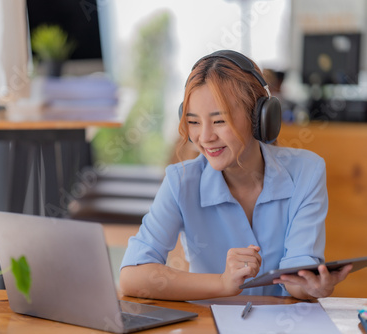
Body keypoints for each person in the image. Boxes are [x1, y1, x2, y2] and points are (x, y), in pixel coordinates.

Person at [119, 50, 351, 300]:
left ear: (260, 118)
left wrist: (312, 286)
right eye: (194, 122)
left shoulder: (306, 172)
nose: (205, 137)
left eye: (219, 121)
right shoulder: (180, 181)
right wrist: (221, 284)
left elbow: (298, 275)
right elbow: (132, 277)